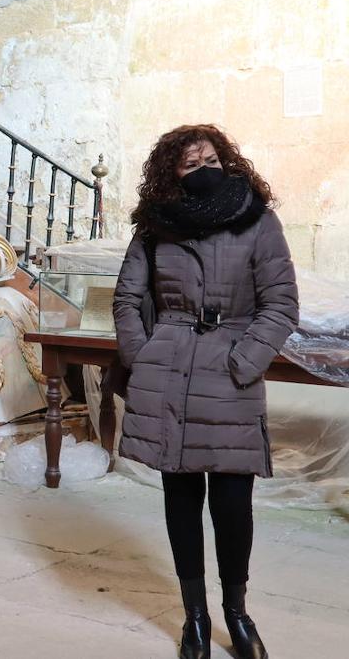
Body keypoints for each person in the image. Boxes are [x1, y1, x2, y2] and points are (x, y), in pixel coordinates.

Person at [113, 124, 298, 659]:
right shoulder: (154, 228)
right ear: (170, 174)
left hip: (230, 370)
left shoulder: (258, 220)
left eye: (209, 159)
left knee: (234, 502)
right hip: (169, 368)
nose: (202, 171)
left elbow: (281, 301)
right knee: (181, 497)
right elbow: (127, 299)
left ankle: (237, 613)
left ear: (229, 161)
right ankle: (195, 615)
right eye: (189, 165)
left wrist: (245, 360)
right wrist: (144, 357)